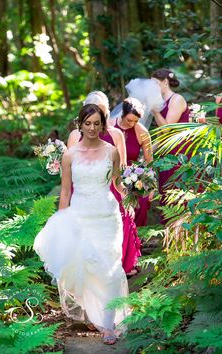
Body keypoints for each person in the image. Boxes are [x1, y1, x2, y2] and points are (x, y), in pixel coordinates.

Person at [34, 104, 128, 345]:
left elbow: (117, 183)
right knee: (84, 268)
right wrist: (60, 224)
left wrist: (134, 188)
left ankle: (108, 324)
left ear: (103, 125)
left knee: (110, 269)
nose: (92, 128)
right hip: (80, 216)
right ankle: (92, 309)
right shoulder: (69, 155)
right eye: (88, 123)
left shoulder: (111, 152)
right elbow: (65, 192)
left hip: (107, 217)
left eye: (97, 123)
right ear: (81, 125)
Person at [68, 91, 141, 277]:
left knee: (119, 222)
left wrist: (127, 195)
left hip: (111, 188)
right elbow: (70, 169)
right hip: (85, 190)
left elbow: (122, 167)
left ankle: (119, 266)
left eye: (101, 112)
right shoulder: (75, 136)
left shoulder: (116, 134)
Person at [151, 68, 190, 223]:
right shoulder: (162, 103)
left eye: (155, 84)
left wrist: (155, 112)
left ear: (165, 82)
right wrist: (147, 153)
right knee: (165, 193)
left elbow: (167, 127)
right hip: (165, 153)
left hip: (179, 153)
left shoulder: (177, 100)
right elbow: (161, 135)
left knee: (177, 192)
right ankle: (169, 235)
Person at [109, 97, 154, 227]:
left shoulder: (142, 132)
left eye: (136, 121)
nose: (132, 124)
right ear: (122, 114)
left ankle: (136, 239)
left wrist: (151, 186)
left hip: (132, 175)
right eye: (129, 120)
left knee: (143, 200)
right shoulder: (110, 126)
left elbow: (149, 161)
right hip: (112, 173)